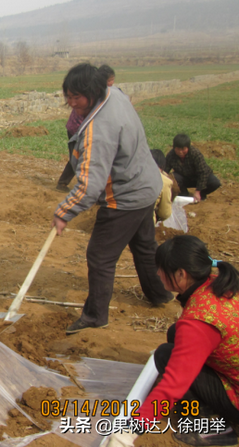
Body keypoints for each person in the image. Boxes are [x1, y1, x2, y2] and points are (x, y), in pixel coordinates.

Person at [52, 63, 173, 335]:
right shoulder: (114, 93)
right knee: (144, 247)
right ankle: (160, 295)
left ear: (92, 91)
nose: (71, 104)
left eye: (76, 97)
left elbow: (90, 186)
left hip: (125, 196)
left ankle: (95, 315)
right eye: (67, 97)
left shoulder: (99, 128)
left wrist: (64, 212)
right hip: (146, 185)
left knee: (100, 256)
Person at [127, 236, 239, 446]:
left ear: (181, 274)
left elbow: (174, 383)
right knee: (175, 333)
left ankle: (214, 426)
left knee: (166, 356)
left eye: (161, 269)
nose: (158, 274)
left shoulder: (199, 320)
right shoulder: (219, 280)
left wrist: (132, 429)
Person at [55, 66, 115, 192]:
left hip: (84, 130)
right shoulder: (88, 96)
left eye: (112, 80)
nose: (111, 83)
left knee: (83, 158)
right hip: (76, 129)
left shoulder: (105, 97)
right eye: (110, 80)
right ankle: (64, 183)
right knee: (77, 157)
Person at [165, 134, 221, 202]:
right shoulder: (171, 155)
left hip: (198, 178)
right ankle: (184, 195)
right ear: (174, 147)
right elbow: (165, 171)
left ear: (188, 147)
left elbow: (203, 173)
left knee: (215, 182)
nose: (180, 152)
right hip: (183, 179)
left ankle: (202, 194)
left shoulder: (195, 154)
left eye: (183, 149)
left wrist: (198, 191)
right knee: (173, 177)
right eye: (178, 149)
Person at [150, 149, 174, 223]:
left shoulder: (130, 172)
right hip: (144, 221)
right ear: (163, 165)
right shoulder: (164, 181)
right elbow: (165, 213)